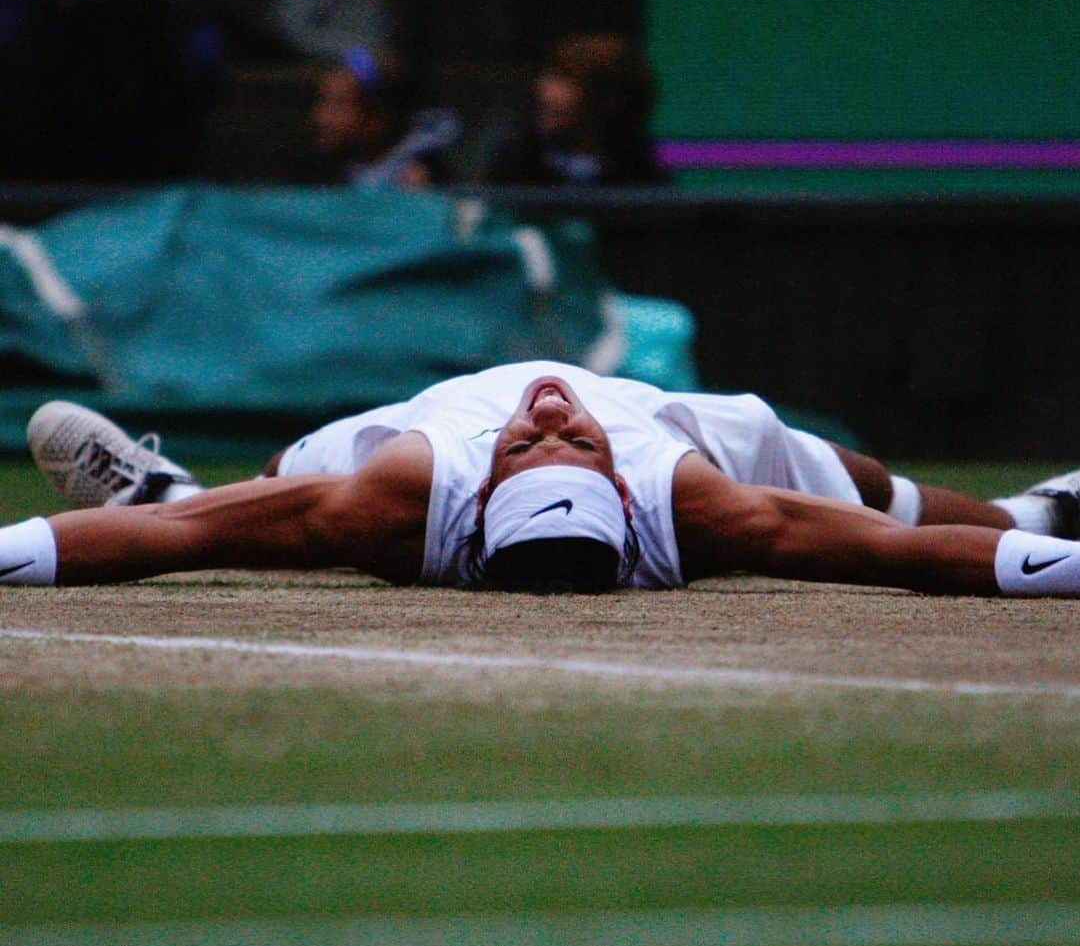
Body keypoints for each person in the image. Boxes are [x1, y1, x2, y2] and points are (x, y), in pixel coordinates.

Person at [3, 361, 1080, 597]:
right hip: (674, 426)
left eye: (542, 443)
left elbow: (189, 548)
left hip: (425, 425)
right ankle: (1042, 509)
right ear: (620, 493)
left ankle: (163, 482)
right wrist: (1057, 563)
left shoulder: (406, 492)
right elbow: (898, 555)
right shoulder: (687, 499)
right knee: (861, 491)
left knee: (234, 505)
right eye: (557, 446)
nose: (555, 415)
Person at [479, 33, 667, 187]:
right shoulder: (512, 163)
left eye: (565, 81)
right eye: (549, 78)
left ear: (610, 99)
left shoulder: (644, 180)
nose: (545, 93)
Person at [296, 44, 460, 189]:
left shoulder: (418, 181)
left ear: (379, 116)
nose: (320, 117)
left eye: (338, 105)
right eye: (321, 101)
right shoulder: (313, 170)